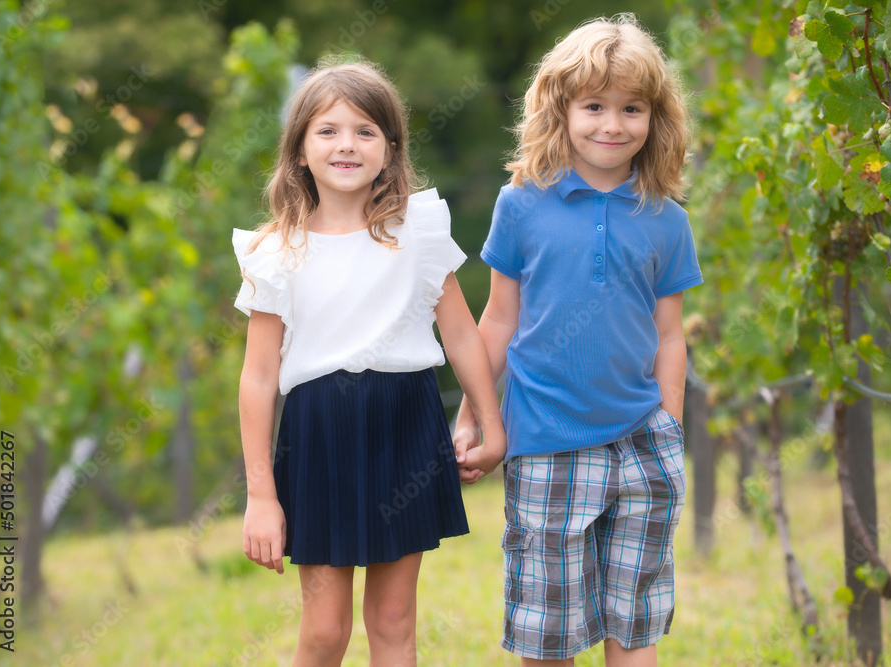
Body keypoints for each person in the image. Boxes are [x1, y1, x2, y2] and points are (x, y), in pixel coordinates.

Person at [233, 57, 506, 667]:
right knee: (325, 631)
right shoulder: (276, 250)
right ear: (299, 150)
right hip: (317, 439)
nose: (347, 145)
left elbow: (462, 337)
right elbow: (258, 378)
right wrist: (261, 495)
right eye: (328, 130)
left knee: (392, 620)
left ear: (390, 149)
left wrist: (492, 424)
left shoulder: (419, 232)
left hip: (406, 428)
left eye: (365, 131)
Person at [454, 14, 701, 666]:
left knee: (636, 626)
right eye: (594, 106)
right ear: (559, 110)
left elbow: (668, 335)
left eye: (631, 108)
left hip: (643, 446)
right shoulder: (521, 204)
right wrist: (473, 414)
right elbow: (497, 321)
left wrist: (669, 427)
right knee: (547, 635)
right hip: (546, 443)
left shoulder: (667, 219)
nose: (612, 124)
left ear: (655, 118)